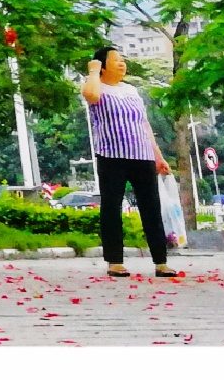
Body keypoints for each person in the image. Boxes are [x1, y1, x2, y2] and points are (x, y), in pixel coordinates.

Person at [82, 44, 183, 279]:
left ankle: (161, 262)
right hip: (111, 156)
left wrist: (158, 156)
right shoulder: (97, 86)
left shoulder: (131, 90)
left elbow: (144, 124)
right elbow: (91, 95)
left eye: (122, 60)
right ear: (102, 66)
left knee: (151, 209)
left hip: (142, 156)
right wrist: (93, 71)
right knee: (111, 209)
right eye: (115, 60)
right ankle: (115, 262)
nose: (122, 64)